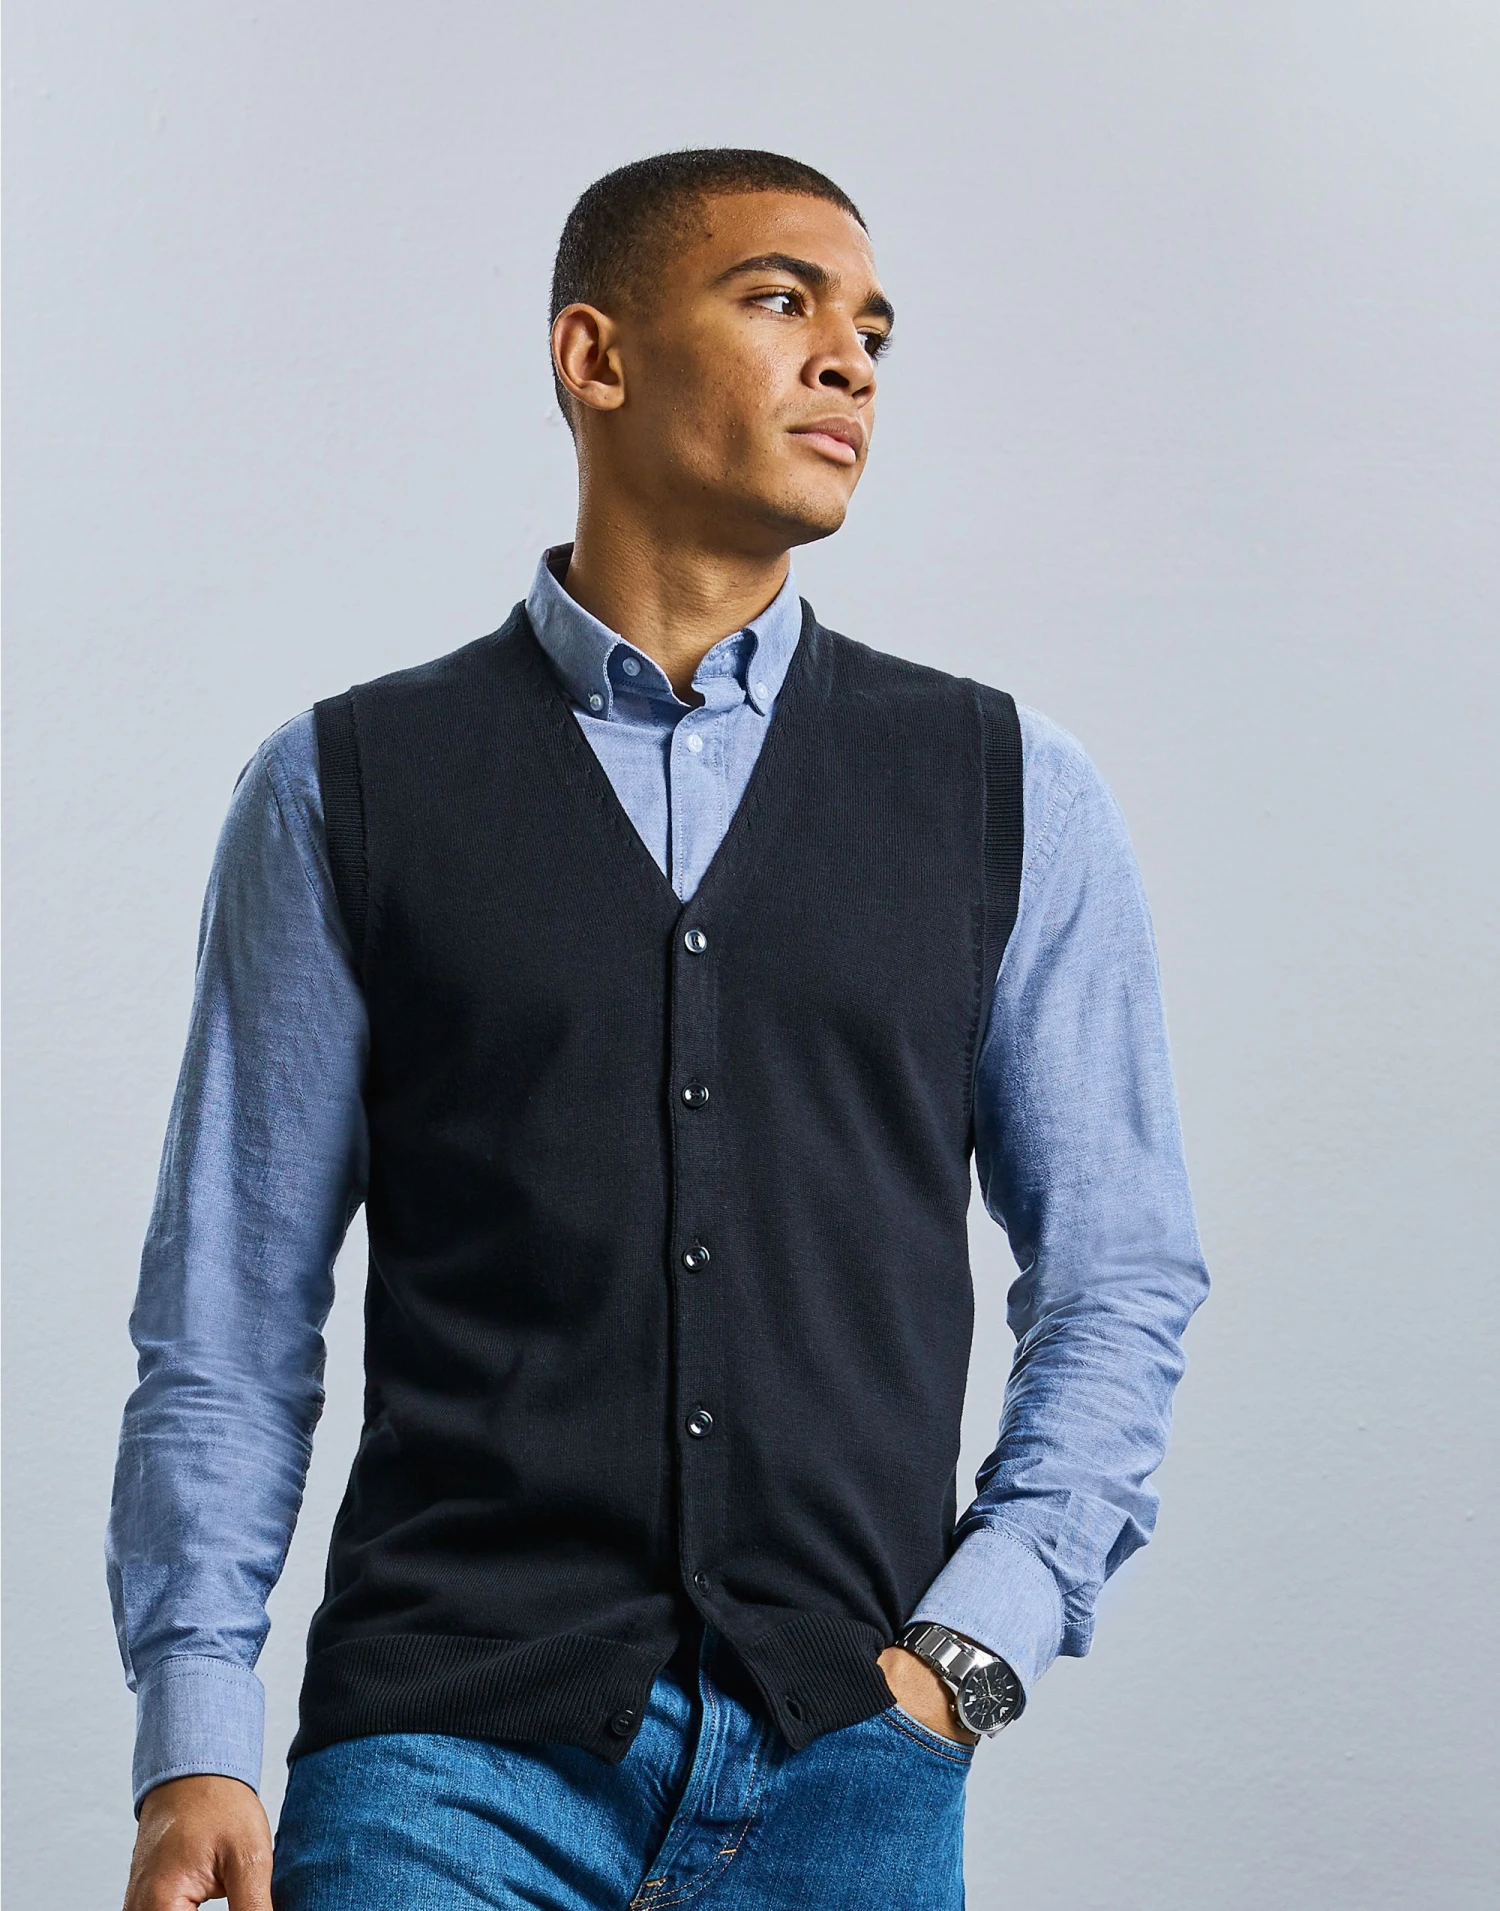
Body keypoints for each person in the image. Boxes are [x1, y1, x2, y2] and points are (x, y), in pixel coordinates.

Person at [108, 148, 1209, 1911]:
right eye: (781, 300)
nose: (847, 360)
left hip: (852, 1771)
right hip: (441, 1765)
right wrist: (196, 1733)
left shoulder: (1008, 791)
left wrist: (969, 1652)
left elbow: (1122, 1273)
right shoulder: (343, 788)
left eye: (873, 333)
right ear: (595, 356)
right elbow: (228, 1319)